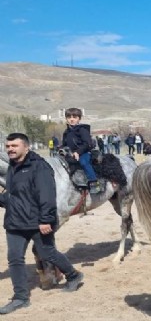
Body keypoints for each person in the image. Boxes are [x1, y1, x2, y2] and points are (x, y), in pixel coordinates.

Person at [0, 133, 85, 314]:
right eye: (8, 146)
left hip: (37, 221)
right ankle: (20, 298)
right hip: (15, 222)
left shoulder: (40, 167)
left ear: (26, 147)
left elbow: (47, 195)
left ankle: (73, 275)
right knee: (15, 259)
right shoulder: (13, 168)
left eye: (14, 146)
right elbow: (13, 195)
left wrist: (46, 219)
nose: (10, 149)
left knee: (48, 253)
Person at [61, 107, 101, 194]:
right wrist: (61, 149)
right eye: (69, 117)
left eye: (74, 117)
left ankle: (94, 182)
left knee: (83, 162)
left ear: (79, 119)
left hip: (85, 152)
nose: (71, 119)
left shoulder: (82, 130)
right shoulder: (66, 132)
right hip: (71, 154)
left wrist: (78, 152)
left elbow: (87, 144)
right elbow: (64, 144)